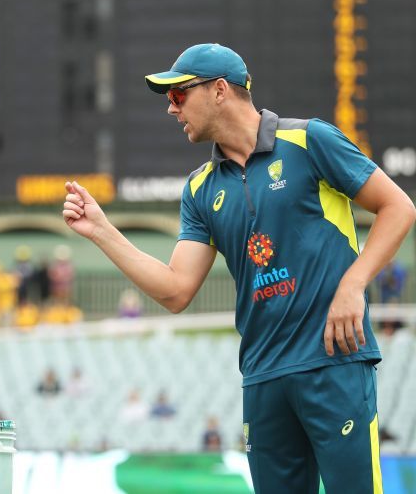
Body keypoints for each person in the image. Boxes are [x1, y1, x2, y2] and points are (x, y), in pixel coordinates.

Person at [63, 43, 416, 493]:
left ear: (219, 90)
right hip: (263, 378)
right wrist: (101, 231)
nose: (171, 110)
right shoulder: (198, 189)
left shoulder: (310, 141)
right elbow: (175, 290)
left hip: (335, 364)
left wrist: (353, 284)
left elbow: (398, 207)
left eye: (178, 95)